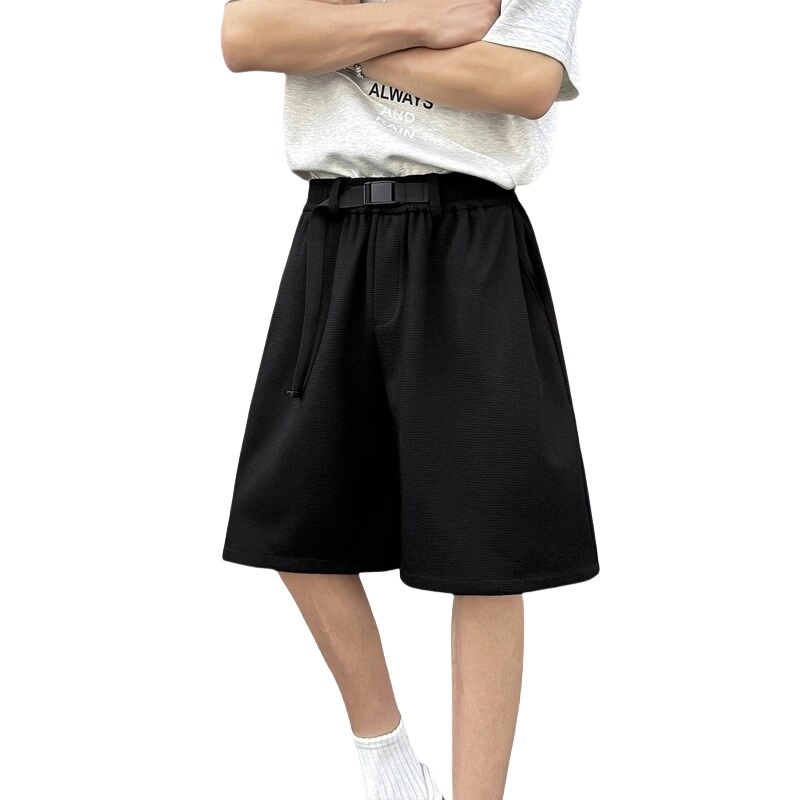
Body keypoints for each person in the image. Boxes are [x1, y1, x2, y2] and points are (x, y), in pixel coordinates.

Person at [219, 1, 598, 798]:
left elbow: (525, 82)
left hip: (472, 234)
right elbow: (247, 36)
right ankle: (388, 760)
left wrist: (333, 43)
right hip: (333, 229)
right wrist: (431, 21)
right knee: (287, 508)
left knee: (487, 547)